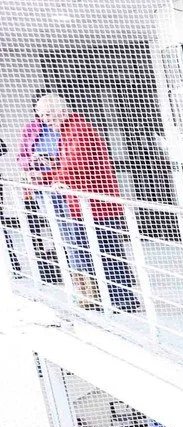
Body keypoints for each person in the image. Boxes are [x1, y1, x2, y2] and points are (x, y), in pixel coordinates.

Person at [17, 93, 137, 312]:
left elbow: (76, 164)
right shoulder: (69, 130)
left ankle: (122, 300)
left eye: (48, 114)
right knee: (98, 251)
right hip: (85, 204)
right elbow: (70, 164)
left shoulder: (77, 130)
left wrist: (48, 177)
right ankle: (114, 299)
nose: (45, 120)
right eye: (42, 116)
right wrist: (46, 175)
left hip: (96, 205)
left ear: (61, 110)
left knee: (105, 252)